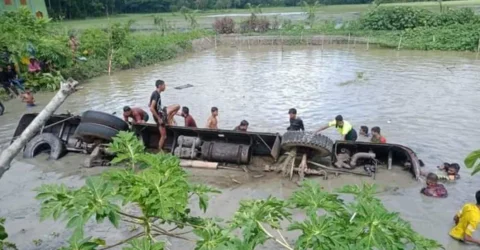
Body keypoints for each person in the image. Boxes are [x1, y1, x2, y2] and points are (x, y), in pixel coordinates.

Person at [150, 80, 168, 150]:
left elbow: (150, 104)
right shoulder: (156, 94)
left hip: (159, 115)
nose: (165, 87)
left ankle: (160, 149)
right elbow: (151, 108)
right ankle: (160, 150)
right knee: (163, 136)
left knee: (164, 136)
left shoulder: (156, 94)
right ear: (160, 86)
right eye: (164, 85)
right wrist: (159, 118)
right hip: (158, 116)